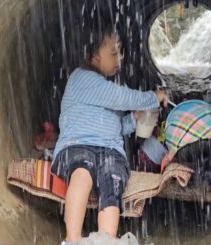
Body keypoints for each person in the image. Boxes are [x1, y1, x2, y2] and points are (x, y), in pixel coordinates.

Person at [51, 13, 168, 244]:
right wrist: (153, 98)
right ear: (91, 55)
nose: (120, 59)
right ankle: (72, 239)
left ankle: (106, 239)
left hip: (110, 151)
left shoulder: (107, 86)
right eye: (113, 53)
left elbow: (114, 126)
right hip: (77, 145)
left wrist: (134, 121)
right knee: (82, 173)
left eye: (120, 53)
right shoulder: (82, 79)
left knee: (112, 182)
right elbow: (121, 98)